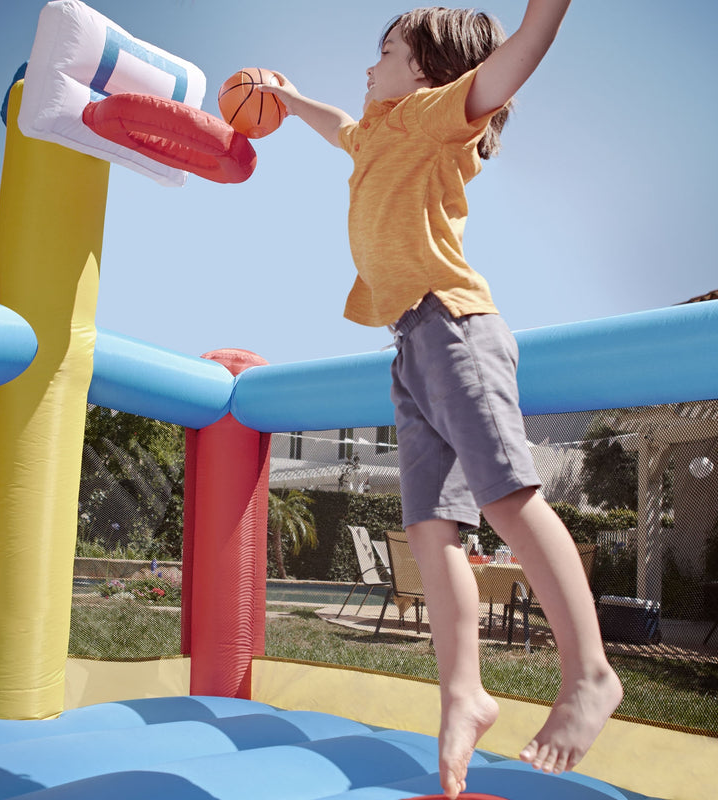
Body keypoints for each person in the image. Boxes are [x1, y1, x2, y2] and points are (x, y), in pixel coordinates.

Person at [260, 3, 623, 797]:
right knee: (430, 529)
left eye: (385, 50)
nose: (368, 65)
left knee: (510, 498)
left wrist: (542, 17)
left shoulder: (430, 115)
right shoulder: (376, 129)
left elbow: (505, 69)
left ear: (425, 69)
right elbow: (336, 127)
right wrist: (288, 99)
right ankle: (464, 692)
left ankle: (591, 673)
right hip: (410, 346)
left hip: (454, 326)